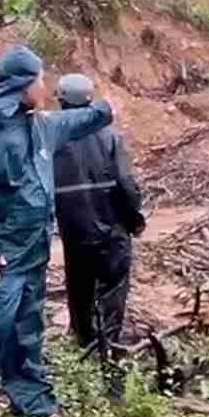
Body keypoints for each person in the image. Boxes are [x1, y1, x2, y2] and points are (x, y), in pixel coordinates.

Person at [0, 47, 113, 417]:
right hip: (1, 254)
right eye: (39, 79)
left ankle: (33, 402)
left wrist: (106, 110)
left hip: (35, 248)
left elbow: (79, 121)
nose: (45, 85)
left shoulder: (41, 126)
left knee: (28, 325)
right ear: (22, 85)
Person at [50, 74, 145, 395]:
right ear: (90, 101)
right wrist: (136, 220)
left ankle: (83, 347)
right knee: (113, 292)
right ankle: (110, 355)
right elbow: (125, 185)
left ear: (61, 100)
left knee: (79, 291)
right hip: (111, 232)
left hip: (74, 234)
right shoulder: (109, 137)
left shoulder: (50, 139)